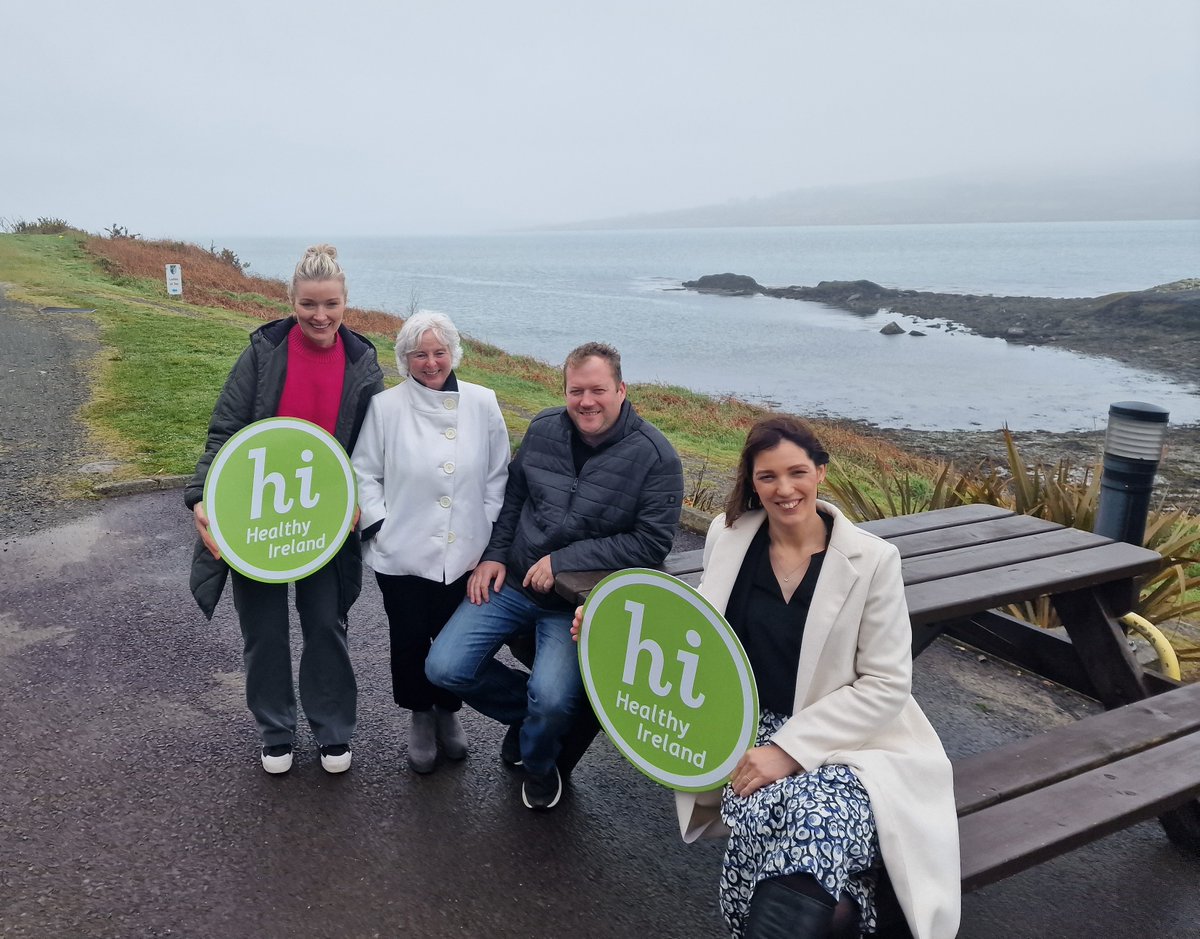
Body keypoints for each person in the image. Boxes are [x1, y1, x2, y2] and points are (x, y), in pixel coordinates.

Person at [674, 416, 960, 939]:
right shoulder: (729, 535)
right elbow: (697, 627)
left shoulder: (872, 560)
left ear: (820, 473)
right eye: (767, 477)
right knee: (764, 807)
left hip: (850, 737)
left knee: (813, 817)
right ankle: (845, 916)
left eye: (797, 472)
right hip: (748, 724)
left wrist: (789, 749)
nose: (784, 490)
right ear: (751, 482)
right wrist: (609, 623)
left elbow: (887, 684)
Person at [425, 341, 684, 811]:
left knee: (553, 699)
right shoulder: (544, 428)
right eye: (576, 390)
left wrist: (565, 560)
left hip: (578, 605)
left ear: (622, 389)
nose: (587, 401)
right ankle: (533, 722)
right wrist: (495, 554)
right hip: (517, 581)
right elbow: (515, 498)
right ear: (564, 390)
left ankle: (541, 766)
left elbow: (652, 543)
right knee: (444, 667)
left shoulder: (656, 457)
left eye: (598, 390)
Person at [186, 244, 384, 776]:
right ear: (291, 301)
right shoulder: (264, 353)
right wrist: (203, 499)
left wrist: (360, 504)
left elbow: (373, 449)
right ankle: (276, 731)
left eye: (331, 304)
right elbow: (225, 432)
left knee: (325, 624)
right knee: (264, 630)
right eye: (309, 305)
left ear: (346, 303)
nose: (320, 316)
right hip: (256, 517)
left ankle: (333, 730)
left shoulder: (363, 362)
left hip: (326, 519)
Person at [351, 311, 510, 774]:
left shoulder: (483, 403)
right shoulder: (386, 408)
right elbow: (364, 472)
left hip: (466, 553)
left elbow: (499, 475)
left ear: (454, 354)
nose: (431, 362)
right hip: (401, 552)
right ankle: (421, 716)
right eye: (419, 354)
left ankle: (448, 712)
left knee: (453, 641)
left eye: (439, 352)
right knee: (408, 639)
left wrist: (488, 530)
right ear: (404, 359)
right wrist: (381, 525)